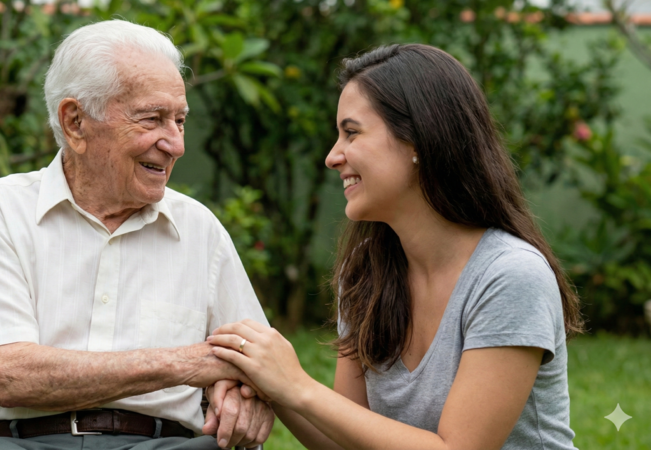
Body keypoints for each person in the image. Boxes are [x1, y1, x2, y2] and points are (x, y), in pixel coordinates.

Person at [207, 44, 583, 450]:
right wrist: (266, 381)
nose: (333, 156)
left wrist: (297, 386)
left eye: (351, 132)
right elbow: (347, 442)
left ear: (418, 140)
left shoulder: (510, 276)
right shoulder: (367, 270)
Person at [0, 20, 273, 450]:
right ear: (76, 122)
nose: (175, 144)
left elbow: (258, 363)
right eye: (152, 119)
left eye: (180, 120)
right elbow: (13, 376)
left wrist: (247, 395)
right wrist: (189, 364)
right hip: (16, 444)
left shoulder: (199, 229)